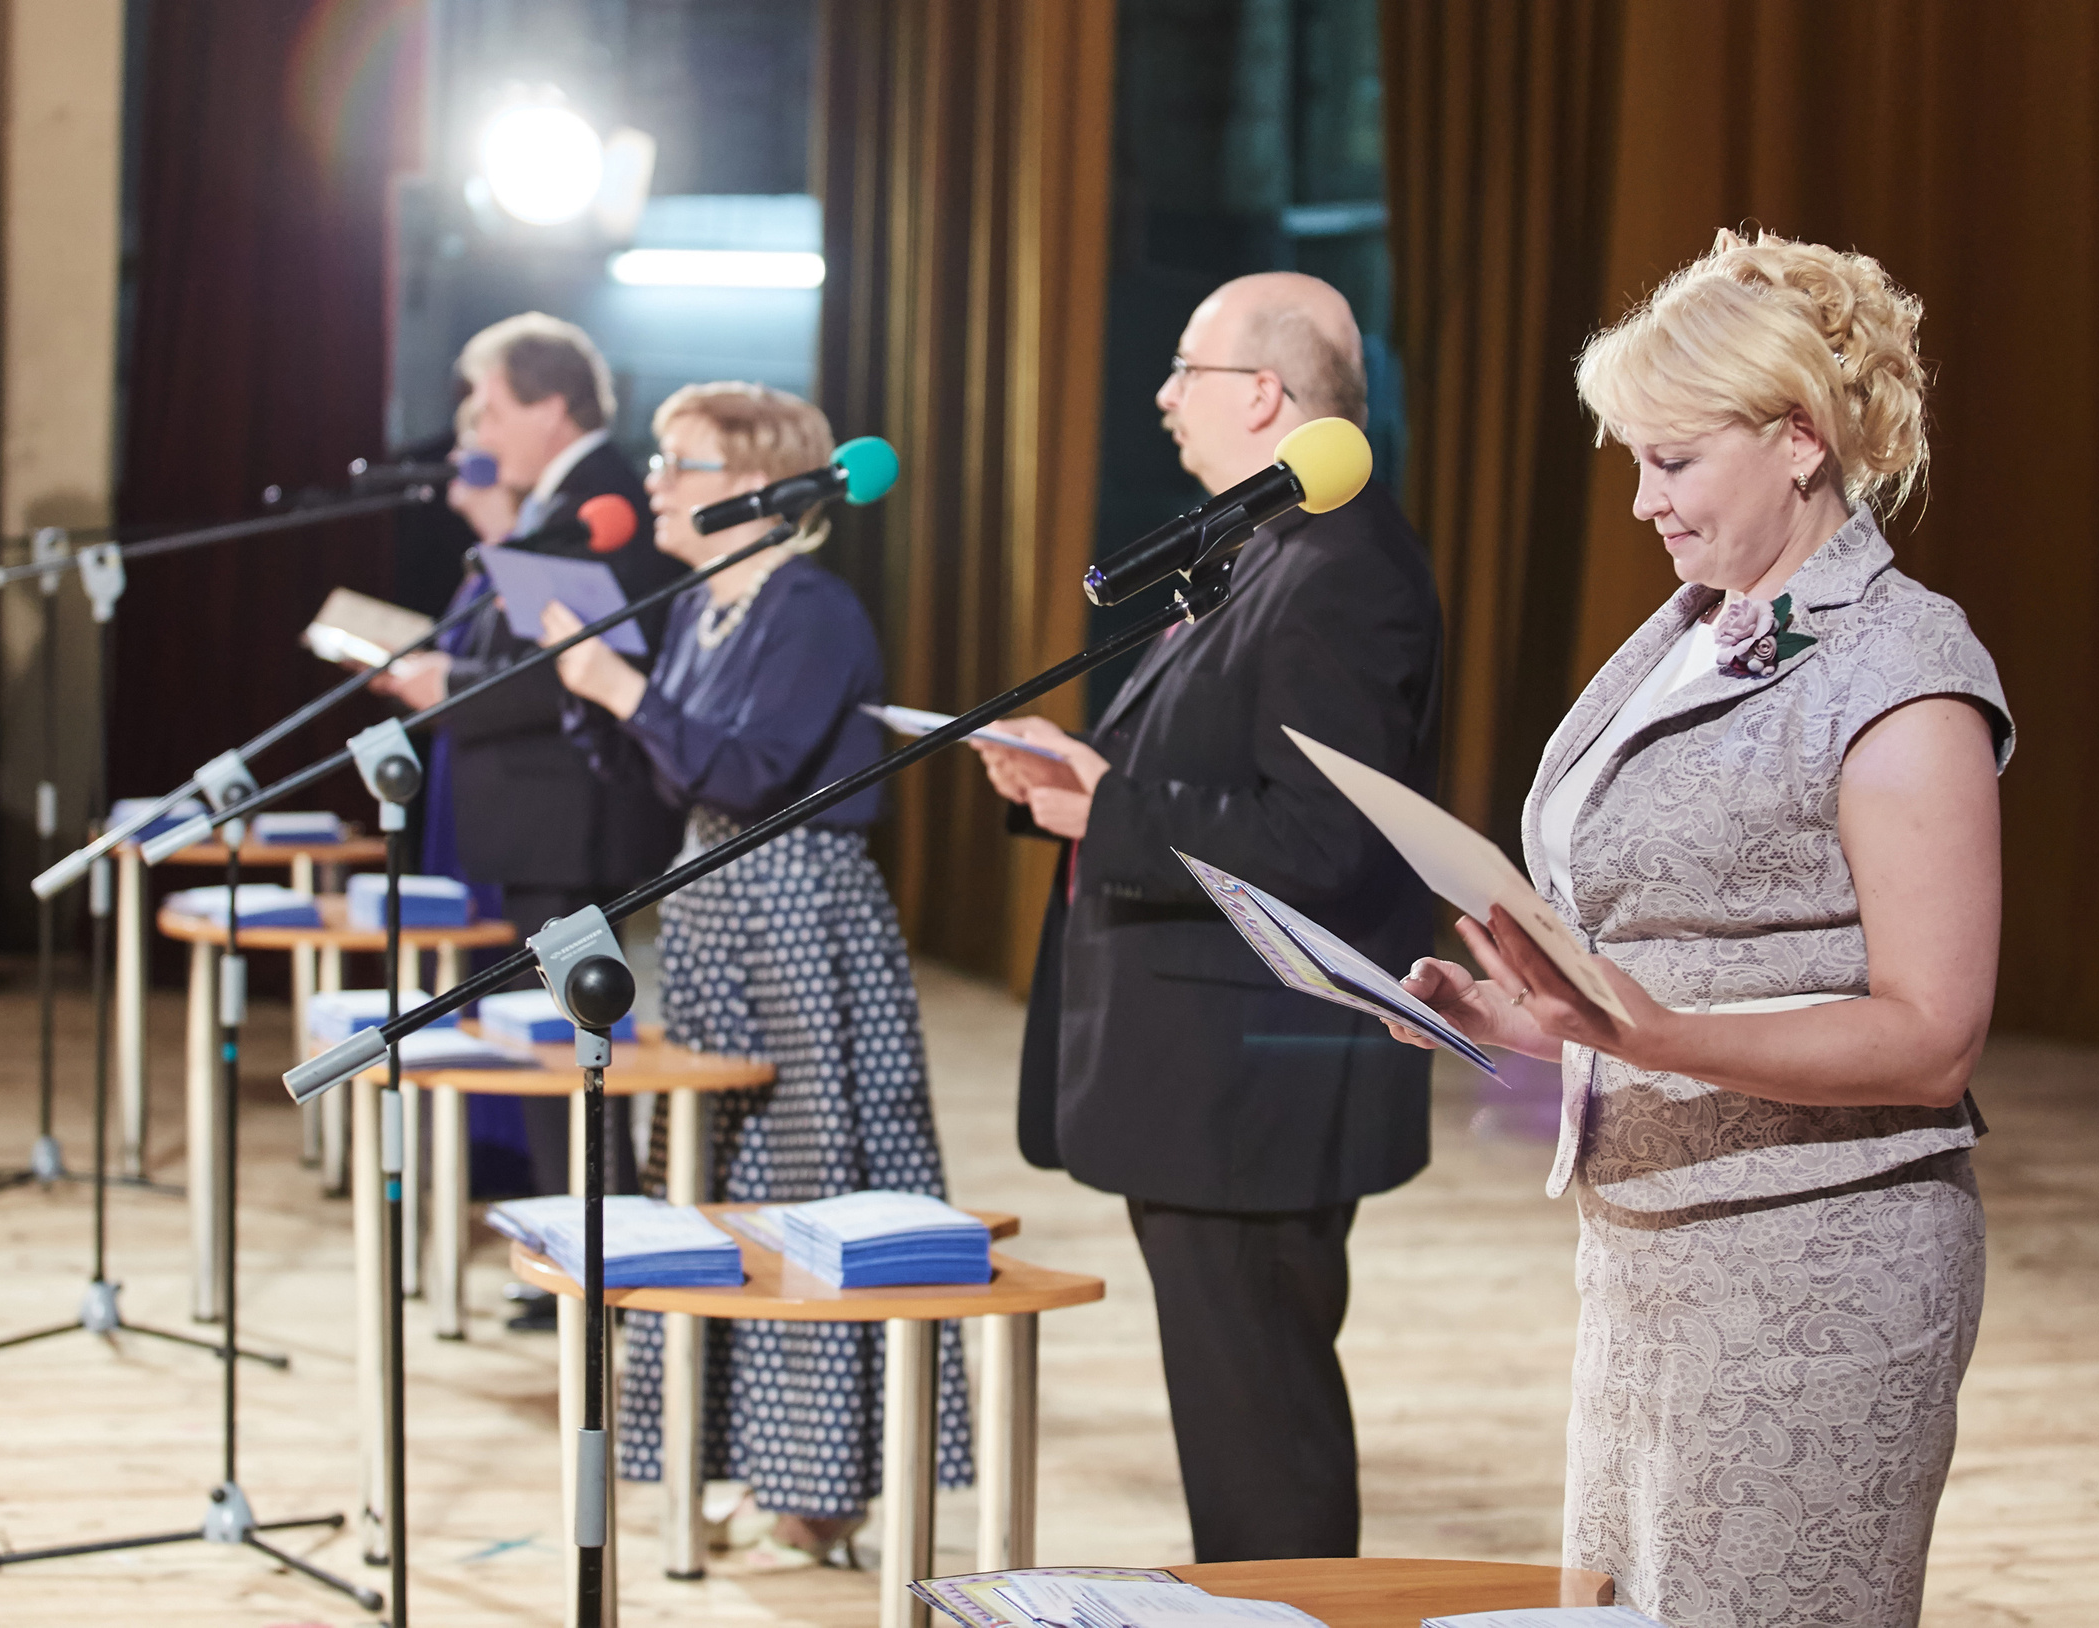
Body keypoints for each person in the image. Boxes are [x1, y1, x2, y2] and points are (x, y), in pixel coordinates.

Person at [1388, 230, 2006, 1628]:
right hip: (1654, 1247)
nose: (1641, 504)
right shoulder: (1691, 626)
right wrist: (1522, 1021)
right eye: (1631, 462)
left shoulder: (1903, 669)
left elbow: (1933, 1035)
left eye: (1671, 461)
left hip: (1819, 1266)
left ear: (1799, 441)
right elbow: (1664, 936)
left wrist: (1653, 1032)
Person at [972, 273, 1443, 1562]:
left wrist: (1109, 810)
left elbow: (1319, 841)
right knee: (1239, 1423)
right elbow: (1223, 780)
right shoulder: (1275, 549)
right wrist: (1081, 786)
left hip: (1253, 1089)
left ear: (1263, 395)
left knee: (1262, 1434)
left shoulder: (1342, 571)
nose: (1163, 395)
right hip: (1213, 1082)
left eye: (1187, 368)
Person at [540, 381, 966, 1568]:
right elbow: (675, 774)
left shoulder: (813, 607)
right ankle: (743, 1455)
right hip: (716, 901)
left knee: (812, 1179)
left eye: (679, 463)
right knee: (708, 1181)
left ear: (759, 488)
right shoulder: (703, 606)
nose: (654, 484)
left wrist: (623, 691)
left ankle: (821, 1489)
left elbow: (753, 767)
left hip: (799, 908)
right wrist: (594, 693)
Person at [372, 314, 684, 1247]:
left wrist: (446, 687)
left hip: (574, 819)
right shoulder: (561, 497)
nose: (475, 425)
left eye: (493, 403)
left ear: (553, 407)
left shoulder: (600, 501)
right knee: (557, 1058)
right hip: (544, 819)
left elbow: (572, 667)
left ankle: (600, 1263)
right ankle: (572, 1252)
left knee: (575, 1059)